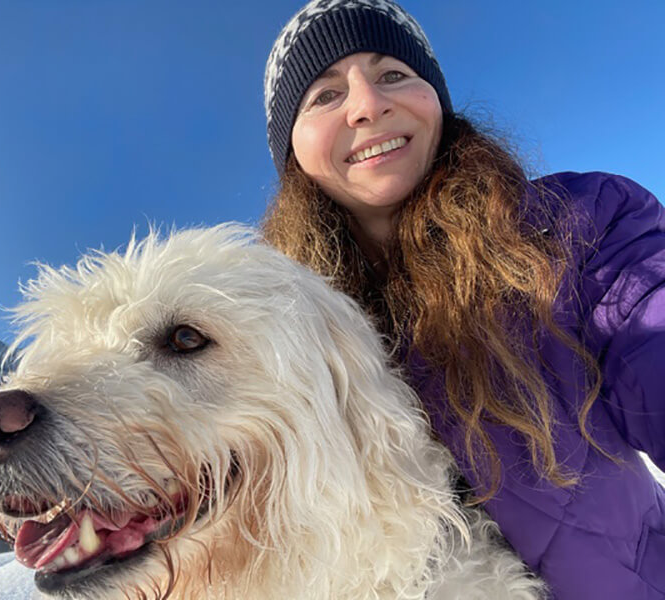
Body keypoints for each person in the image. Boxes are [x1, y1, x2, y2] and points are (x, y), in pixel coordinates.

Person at [259, 1, 665, 598]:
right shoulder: (276, 340)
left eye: (393, 73)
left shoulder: (574, 227)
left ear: (436, 101)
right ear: (292, 149)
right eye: (325, 95)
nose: (368, 104)